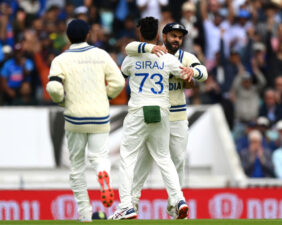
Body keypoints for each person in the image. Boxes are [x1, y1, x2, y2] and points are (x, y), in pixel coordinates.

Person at [109, 17, 200, 220]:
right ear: (158, 35)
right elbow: (186, 77)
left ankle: (126, 205)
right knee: (164, 158)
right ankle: (179, 199)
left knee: (127, 159)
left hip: (139, 111)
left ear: (140, 33)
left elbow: (124, 69)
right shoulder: (168, 58)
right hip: (161, 111)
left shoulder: (132, 58)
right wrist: (189, 76)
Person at [46, 19, 125, 222]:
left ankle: (85, 215)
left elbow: (54, 88)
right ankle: (103, 176)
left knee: (77, 168)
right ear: (88, 35)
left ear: (67, 37)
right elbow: (119, 82)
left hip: (75, 118)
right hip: (99, 116)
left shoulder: (61, 59)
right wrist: (105, 96)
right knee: (100, 157)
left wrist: (62, 100)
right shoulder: (101, 55)